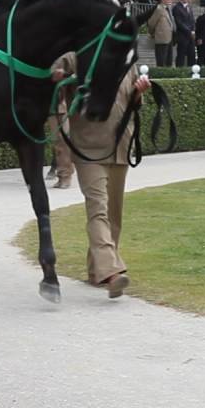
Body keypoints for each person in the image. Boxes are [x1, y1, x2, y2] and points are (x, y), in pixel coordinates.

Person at [50, 53, 151, 298]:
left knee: (114, 214)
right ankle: (111, 272)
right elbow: (51, 74)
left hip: (120, 146)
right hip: (88, 148)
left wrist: (139, 92)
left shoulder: (127, 58)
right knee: (98, 209)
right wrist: (61, 77)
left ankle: (97, 271)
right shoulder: (76, 54)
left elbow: (132, 101)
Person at [146, 0, 175, 67]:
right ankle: (160, 73)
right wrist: (153, 34)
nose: (170, 1)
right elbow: (151, 23)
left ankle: (167, 74)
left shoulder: (169, 9)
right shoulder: (159, 9)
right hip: (161, 38)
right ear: (163, 0)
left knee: (169, 60)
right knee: (161, 60)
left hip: (170, 38)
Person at [172, 0, 197, 68]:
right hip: (182, 36)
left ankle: (192, 71)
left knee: (192, 55)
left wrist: (193, 30)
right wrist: (189, 31)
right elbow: (179, 23)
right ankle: (179, 72)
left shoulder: (189, 7)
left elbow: (192, 21)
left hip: (190, 36)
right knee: (181, 55)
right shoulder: (176, 8)